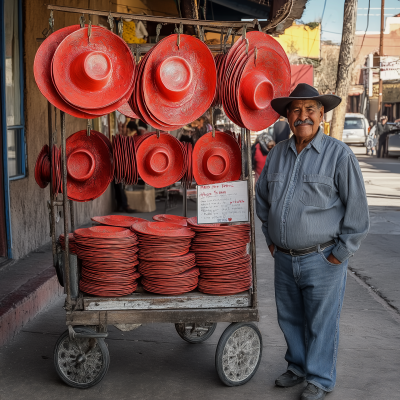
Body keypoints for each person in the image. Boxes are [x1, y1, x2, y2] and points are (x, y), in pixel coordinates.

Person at [256, 83, 369, 400]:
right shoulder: (277, 153)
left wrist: (340, 253)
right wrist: (271, 238)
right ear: (287, 117)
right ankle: (299, 367)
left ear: (322, 114)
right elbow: (263, 198)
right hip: (284, 257)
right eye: (296, 110)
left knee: (321, 321)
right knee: (289, 316)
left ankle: (319, 379)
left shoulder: (339, 155)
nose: (303, 115)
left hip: (322, 258)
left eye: (310, 109)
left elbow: (357, 211)